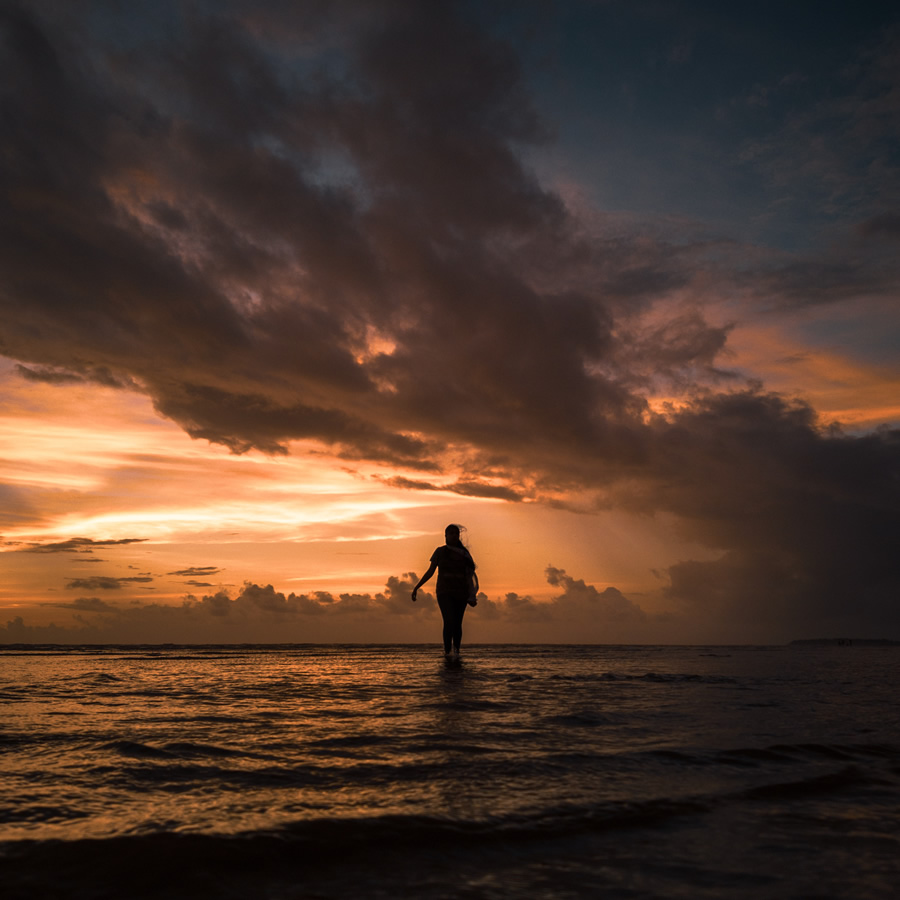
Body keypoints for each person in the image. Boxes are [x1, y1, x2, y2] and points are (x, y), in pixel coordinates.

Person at [411, 524, 478, 659]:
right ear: (445, 536)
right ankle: (447, 653)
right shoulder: (440, 552)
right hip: (444, 592)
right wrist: (417, 587)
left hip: (461, 592)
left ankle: (457, 652)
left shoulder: (464, 554)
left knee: (458, 623)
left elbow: (470, 574)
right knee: (448, 621)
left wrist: (471, 594)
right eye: (451, 533)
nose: (454, 535)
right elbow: (430, 571)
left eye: (456, 533)